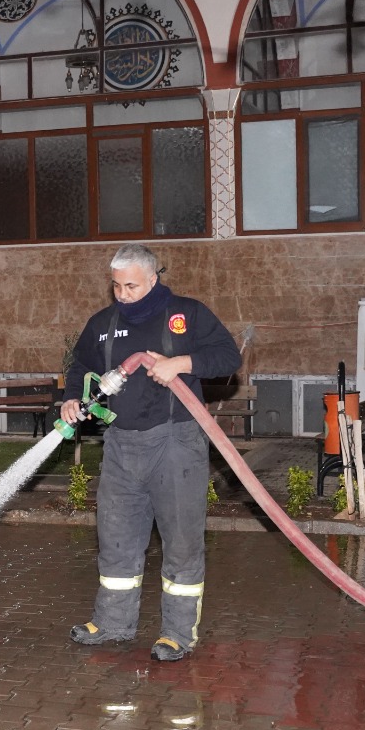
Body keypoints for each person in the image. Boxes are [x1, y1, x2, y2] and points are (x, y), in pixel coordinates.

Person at [61, 244, 241, 660]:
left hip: (175, 442)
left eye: (131, 286)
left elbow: (227, 356)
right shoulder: (103, 324)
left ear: (153, 278)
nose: (122, 294)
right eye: (117, 286)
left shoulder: (186, 314)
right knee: (117, 538)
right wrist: (71, 399)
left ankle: (178, 633)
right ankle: (112, 623)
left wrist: (182, 363)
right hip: (121, 443)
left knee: (180, 542)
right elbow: (79, 367)